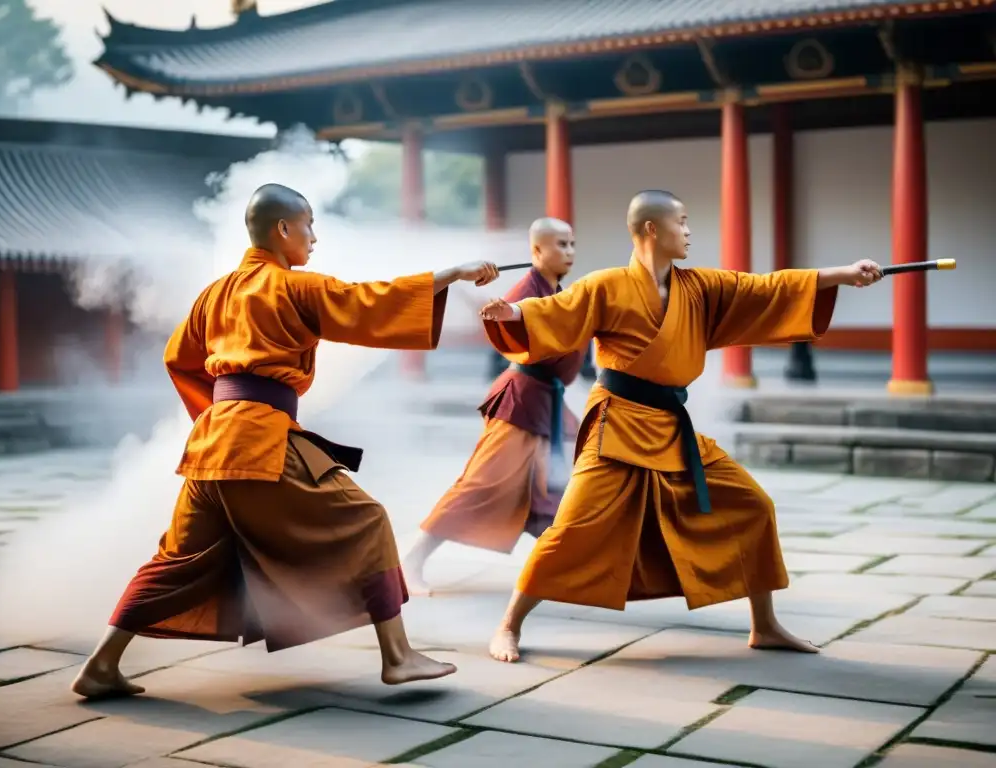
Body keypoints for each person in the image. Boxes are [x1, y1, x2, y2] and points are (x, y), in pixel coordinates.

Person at [70, 183, 500, 699]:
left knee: (176, 558)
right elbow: (369, 302)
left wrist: (219, 414)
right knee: (367, 521)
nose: (314, 237)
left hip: (211, 445)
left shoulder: (214, 293)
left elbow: (177, 358)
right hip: (259, 443)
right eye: (309, 225)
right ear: (283, 229)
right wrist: (450, 273)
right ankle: (399, 656)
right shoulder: (293, 287)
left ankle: (100, 665)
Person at [478, 189, 883, 663]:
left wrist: (841, 275)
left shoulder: (700, 287)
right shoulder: (606, 285)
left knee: (752, 505)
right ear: (652, 229)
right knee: (573, 526)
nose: (689, 231)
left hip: (672, 427)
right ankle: (508, 625)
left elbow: (765, 287)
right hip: (619, 424)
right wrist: (513, 313)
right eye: (682, 222)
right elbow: (554, 313)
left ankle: (765, 624)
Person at [402, 218, 586, 594]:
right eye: (559, 245)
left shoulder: (556, 290)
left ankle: (564, 567)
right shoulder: (526, 289)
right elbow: (512, 324)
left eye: (571, 244)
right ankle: (411, 561)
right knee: (480, 484)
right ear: (536, 251)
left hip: (547, 402)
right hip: (520, 402)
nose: (568, 252)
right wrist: (506, 312)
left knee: (551, 491)